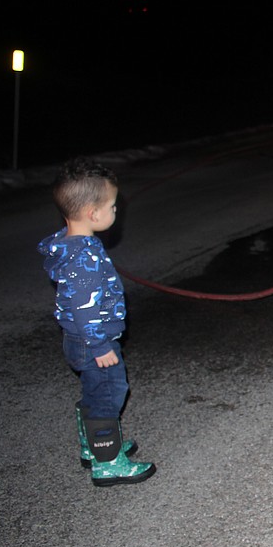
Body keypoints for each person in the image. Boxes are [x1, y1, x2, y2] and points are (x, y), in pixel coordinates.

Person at [38, 158, 156, 487]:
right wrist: (101, 344)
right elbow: (84, 306)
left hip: (78, 340)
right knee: (110, 393)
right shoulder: (83, 258)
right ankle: (108, 462)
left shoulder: (70, 244)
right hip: (93, 341)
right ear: (93, 214)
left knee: (94, 391)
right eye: (112, 207)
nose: (115, 212)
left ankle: (93, 446)